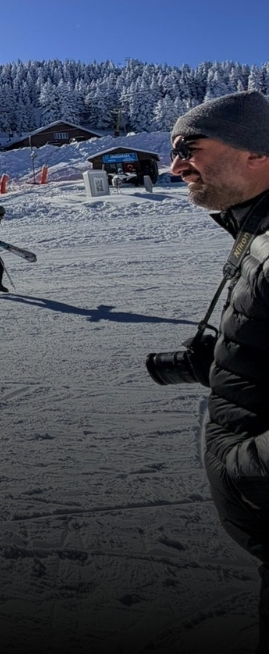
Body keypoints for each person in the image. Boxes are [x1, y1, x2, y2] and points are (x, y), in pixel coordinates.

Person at [164, 91, 269, 650]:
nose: (176, 164)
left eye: (190, 149)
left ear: (259, 153)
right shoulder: (254, 228)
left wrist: (242, 470)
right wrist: (226, 363)